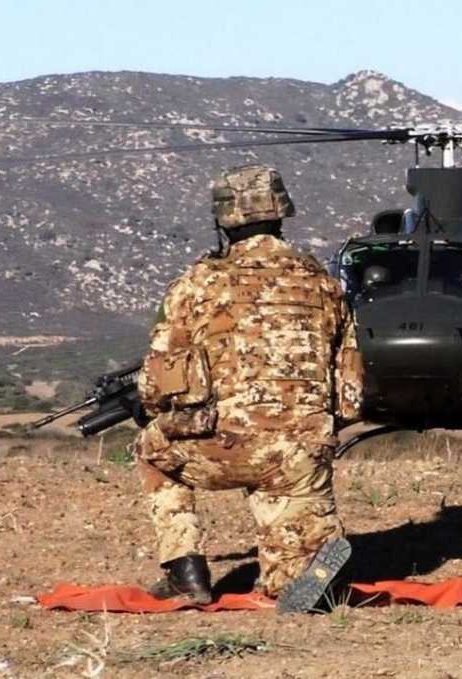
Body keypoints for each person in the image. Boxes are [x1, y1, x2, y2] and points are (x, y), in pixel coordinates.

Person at [133, 164, 363, 614]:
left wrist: (154, 408)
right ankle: (296, 567)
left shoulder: (197, 284)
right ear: (281, 214)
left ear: (224, 220)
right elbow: (351, 398)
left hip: (221, 445)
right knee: (291, 500)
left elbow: (160, 380)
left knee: (150, 452)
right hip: (300, 457)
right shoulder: (325, 285)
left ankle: (186, 575)